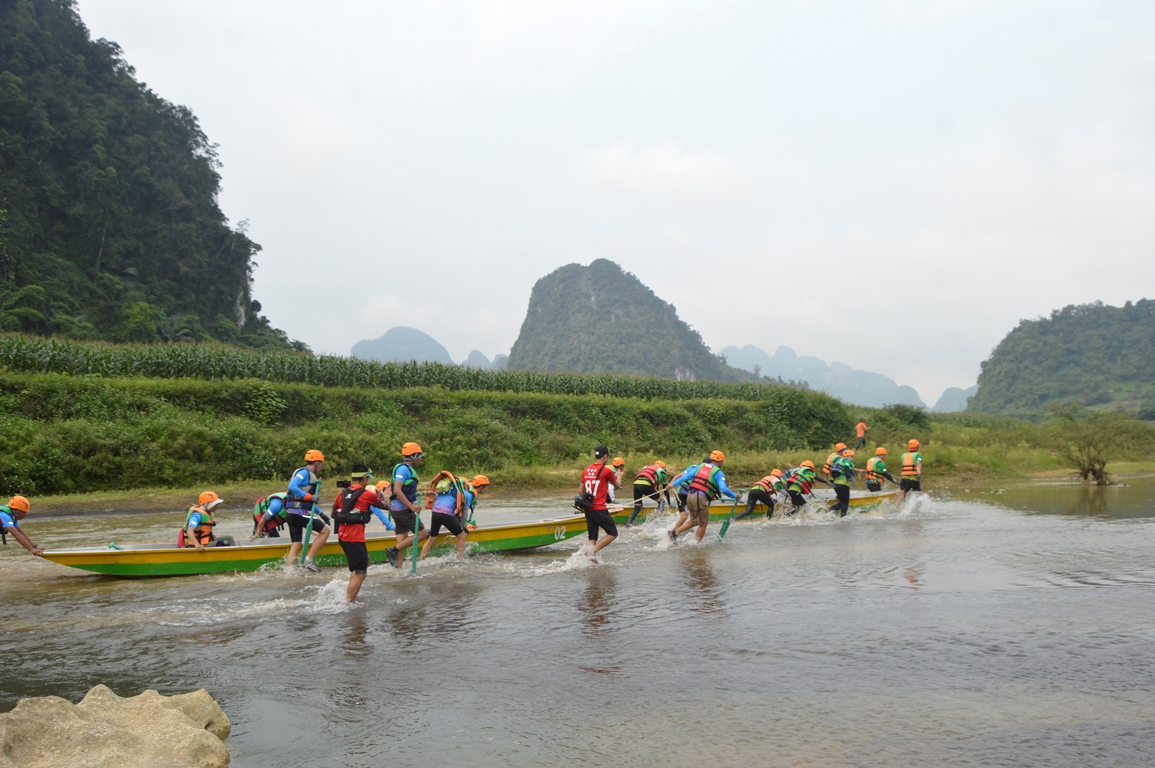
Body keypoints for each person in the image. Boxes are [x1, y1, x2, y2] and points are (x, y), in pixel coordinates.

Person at [333, 465, 390, 602]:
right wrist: (386, 496)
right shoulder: (367, 495)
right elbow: (387, 507)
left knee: (365, 563)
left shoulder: (342, 494)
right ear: (364, 478)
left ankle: (353, 593)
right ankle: (347, 602)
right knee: (361, 572)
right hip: (355, 538)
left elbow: (334, 513)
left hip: (343, 536)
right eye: (367, 479)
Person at [669, 450, 740, 543]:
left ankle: (675, 532)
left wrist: (672, 484)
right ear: (720, 461)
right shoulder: (718, 472)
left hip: (690, 496)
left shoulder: (700, 466)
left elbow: (686, 476)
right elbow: (723, 489)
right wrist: (735, 496)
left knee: (695, 520)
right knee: (703, 524)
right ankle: (696, 544)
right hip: (699, 497)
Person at [419, 470, 484, 562]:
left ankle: (421, 560)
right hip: (445, 514)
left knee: (431, 539)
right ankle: (460, 560)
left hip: (435, 513)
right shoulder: (464, 494)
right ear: (464, 486)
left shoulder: (444, 491)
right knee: (461, 536)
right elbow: (464, 514)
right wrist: (462, 526)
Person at [285, 450, 331, 571]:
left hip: (291, 514)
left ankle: (289, 573)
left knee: (296, 544)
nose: (321, 467)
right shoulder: (304, 473)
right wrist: (309, 497)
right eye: (320, 464)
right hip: (297, 514)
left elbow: (307, 503)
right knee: (325, 531)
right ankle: (308, 560)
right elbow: (291, 487)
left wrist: (321, 513)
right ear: (316, 463)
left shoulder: (307, 476)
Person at [385, 443, 429, 568]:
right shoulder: (403, 469)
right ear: (413, 457)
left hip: (398, 510)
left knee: (402, 541)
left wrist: (426, 493)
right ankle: (392, 550)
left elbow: (407, 490)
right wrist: (411, 506)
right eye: (419, 457)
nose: (420, 460)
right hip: (403, 510)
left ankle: (398, 570)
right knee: (422, 534)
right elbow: (398, 490)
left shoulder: (406, 470)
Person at [579, 445, 620, 560]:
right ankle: (592, 551)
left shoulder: (586, 469)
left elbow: (580, 491)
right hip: (599, 509)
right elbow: (618, 486)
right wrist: (619, 476)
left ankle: (589, 561)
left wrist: (588, 501)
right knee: (613, 533)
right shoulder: (606, 471)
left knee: (592, 537)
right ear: (605, 456)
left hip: (589, 509)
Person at [628, 460, 669, 526]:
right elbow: (666, 490)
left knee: (638, 507)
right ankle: (658, 522)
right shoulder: (662, 472)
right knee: (662, 501)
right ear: (663, 468)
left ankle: (628, 524)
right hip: (645, 485)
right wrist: (669, 504)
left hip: (636, 485)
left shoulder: (646, 468)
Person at [830, 449, 857, 517]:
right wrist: (851, 478)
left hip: (836, 485)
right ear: (847, 456)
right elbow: (846, 469)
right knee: (845, 503)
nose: (852, 459)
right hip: (843, 485)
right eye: (851, 457)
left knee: (842, 502)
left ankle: (828, 511)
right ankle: (843, 517)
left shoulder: (840, 461)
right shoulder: (846, 461)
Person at [897, 439, 924, 503]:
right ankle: (917, 510)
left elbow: (903, 466)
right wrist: (919, 473)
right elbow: (918, 464)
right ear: (917, 446)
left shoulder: (904, 455)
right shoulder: (918, 455)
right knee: (918, 494)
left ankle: (895, 508)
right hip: (913, 478)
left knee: (901, 495)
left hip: (904, 478)